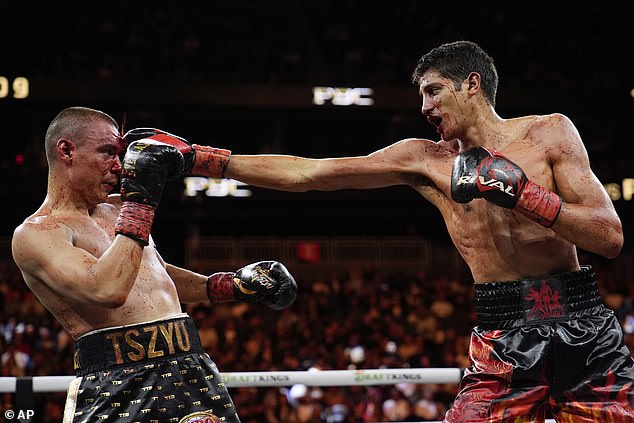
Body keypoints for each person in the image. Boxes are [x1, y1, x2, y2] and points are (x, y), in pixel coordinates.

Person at [125, 41, 634, 421]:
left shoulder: (549, 132)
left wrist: (524, 194)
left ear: (472, 84)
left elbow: (608, 238)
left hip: (584, 325)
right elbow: (311, 173)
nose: (425, 107)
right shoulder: (424, 160)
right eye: (421, 97)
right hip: (503, 334)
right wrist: (204, 159)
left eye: (434, 91)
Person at [11, 106, 298, 423]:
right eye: (108, 153)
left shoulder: (117, 209)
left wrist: (227, 286)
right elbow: (107, 288)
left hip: (190, 363)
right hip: (117, 383)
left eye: (120, 155)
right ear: (66, 150)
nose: (119, 167)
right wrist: (140, 201)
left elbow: (156, 274)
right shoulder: (36, 234)